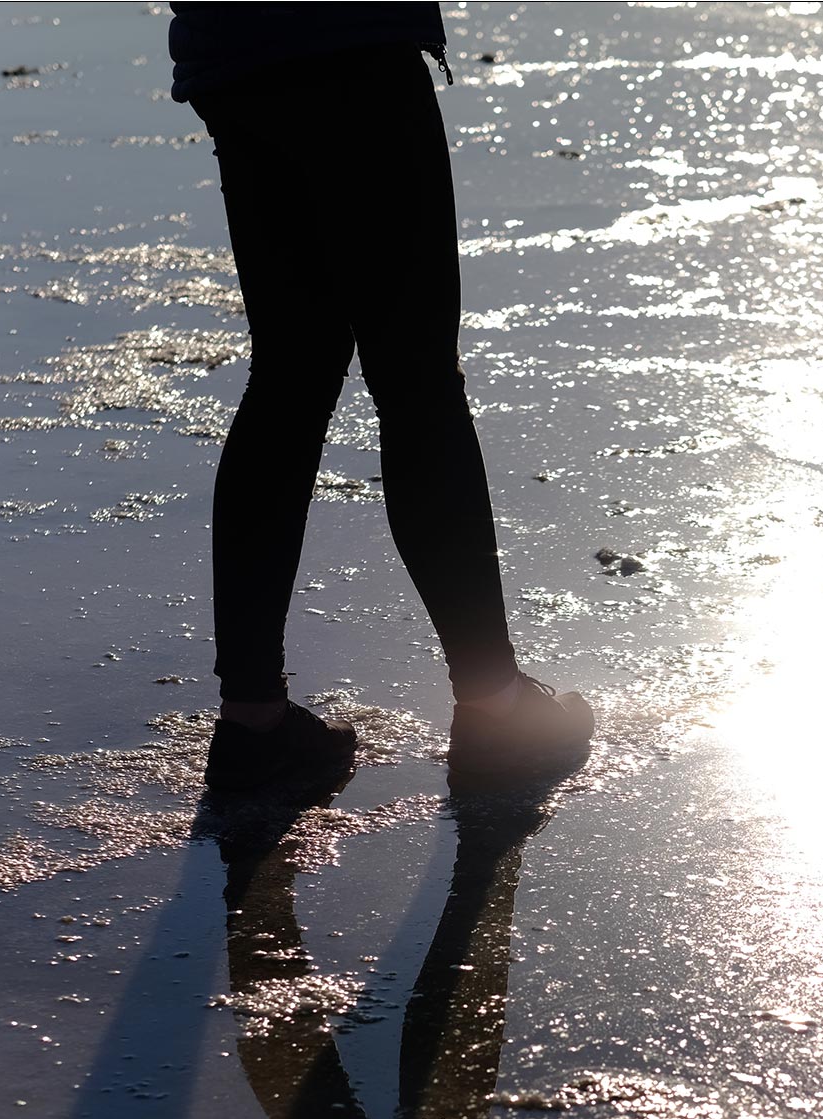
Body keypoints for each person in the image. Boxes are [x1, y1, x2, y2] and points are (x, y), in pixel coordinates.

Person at [169, 1, 594, 791]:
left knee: (289, 375)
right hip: (348, 45)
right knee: (416, 381)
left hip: (234, 55)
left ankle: (252, 719)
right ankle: (494, 704)